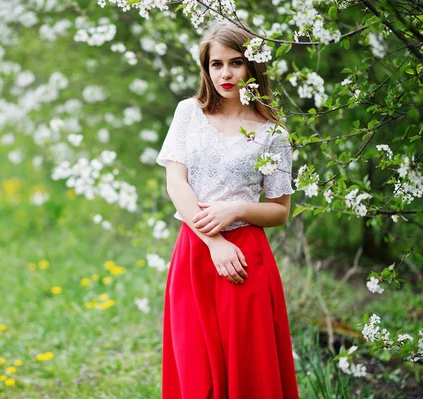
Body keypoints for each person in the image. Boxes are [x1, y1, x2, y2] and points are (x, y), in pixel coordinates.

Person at [155, 24, 300, 399]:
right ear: (206, 68)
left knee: (250, 368)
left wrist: (237, 208)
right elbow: (176, 185)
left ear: (253, 67)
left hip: (246, 260)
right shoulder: (188, 113)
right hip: (196, 253)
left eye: (236, 63)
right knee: (196, 367)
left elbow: (280, 212)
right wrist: (214, 242)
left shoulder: (272, 133)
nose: (225, 74)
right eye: (215, 64)